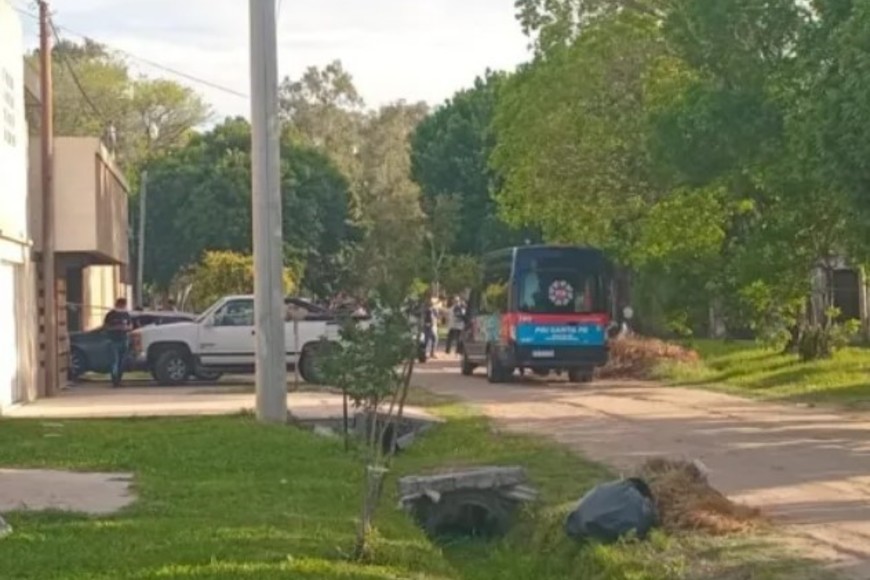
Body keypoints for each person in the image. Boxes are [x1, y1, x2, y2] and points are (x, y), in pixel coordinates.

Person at [103, 297, 132, 387]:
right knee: (114, 361)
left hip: (124, 339)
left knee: (122, 362)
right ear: (118, 304)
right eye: (123, 305)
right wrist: (116, 328)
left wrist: (126, 328)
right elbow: (106, 327)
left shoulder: (126, 314)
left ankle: (119, 380)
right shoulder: (110, 315)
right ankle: (115, 381)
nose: (124, 307)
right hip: (113, 341)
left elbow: (130, 326)